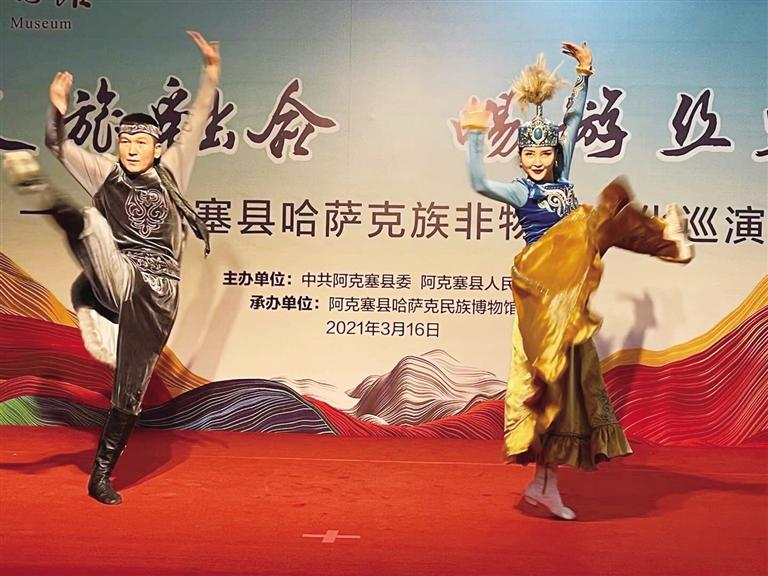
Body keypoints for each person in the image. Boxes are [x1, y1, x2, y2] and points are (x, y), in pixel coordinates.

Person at [460, 42, 693, 520]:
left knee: (564, 390)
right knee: (597, 215)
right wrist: (476, 134)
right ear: (520, 157)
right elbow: (480, 183)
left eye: (546, 152)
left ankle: (544, 484)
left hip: (568, 290)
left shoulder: (562, 177)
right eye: (530, 153)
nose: (538, 159)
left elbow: (573, 122)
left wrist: (585, 75)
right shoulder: (521, 190)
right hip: (543, 284)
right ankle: (665, 241)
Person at [5, 30, 220, 505]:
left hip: (158, 296)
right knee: (92, 226)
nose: (132, 147)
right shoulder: (105, 172)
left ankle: (101, 475)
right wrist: (56, 108)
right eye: (125, 140)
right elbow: (58, 144)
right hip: (117, 273)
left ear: (157, 147)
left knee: (130, 393)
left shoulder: (173, 170)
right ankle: (39, 191)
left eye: (141, 141)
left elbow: (196, 122)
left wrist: (210, 74)